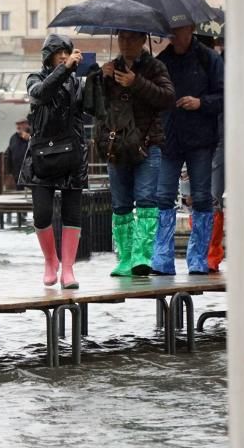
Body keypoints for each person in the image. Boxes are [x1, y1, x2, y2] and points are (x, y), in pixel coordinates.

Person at [87, 30, 175, 277]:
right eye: (122, 38)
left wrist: (135, 82)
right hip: (117, 146)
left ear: (141, 40)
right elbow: (93, 106)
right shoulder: (109, 69)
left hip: (148, 144)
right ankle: (125, 259)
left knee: (147, 198)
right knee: (121, 203)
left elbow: (167, 97)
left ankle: (141, 257)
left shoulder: (155, 67)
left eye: (131, 38)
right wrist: (98, 79)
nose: (125, 43)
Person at [151, 25, 224, 275]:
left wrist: (200, 103)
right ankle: (162, 258)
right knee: (162, 196)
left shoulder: (209, 59)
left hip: (201, 140)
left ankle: (198, 259)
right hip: (169, 139)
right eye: (171, 31)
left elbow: (224, 95)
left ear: (190, 30)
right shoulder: (161, 62)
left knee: (202, 197)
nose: (174, 36)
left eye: (179, 31)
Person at [19, 34, 87, 289]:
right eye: (58, 52)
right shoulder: (35, 78)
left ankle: (68, 269)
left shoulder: (77, 82)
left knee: (72, 213)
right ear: (48, 55)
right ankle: (51, 261)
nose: (63, 56)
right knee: (42, 212)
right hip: (42, 155)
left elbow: (93, 109)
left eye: (67, 52)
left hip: (72, 153)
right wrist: (64, 69)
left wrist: (101, 80)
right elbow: (40, 94)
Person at [208, 37, 226, 272]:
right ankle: (209, 255)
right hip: (212, 137)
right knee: (208, 198)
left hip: (220, 136)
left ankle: (211, 255)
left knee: (211, 197)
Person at [5, 119, 31, 190]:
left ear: (27, 125)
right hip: (17, 173)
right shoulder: (13, 138)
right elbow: (9, 155)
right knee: (20, 192)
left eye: (21, 124)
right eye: (18, 124)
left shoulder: (33, 135)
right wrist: (9, 172)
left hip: (30, 172)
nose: (19, 126)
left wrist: (29, 139)